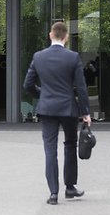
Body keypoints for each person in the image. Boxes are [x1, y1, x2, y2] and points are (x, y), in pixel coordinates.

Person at [23, 21, 91, 205]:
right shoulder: (73, 57)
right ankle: (70, 187)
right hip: (68, 108)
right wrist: (86, 112)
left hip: (47, 108)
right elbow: (81, 87)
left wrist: (42, 94)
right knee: (70, 144)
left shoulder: (38, 57)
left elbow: (27, 85)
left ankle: (53, 193)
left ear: (50, 35)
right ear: (66, 37)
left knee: (50, 149)